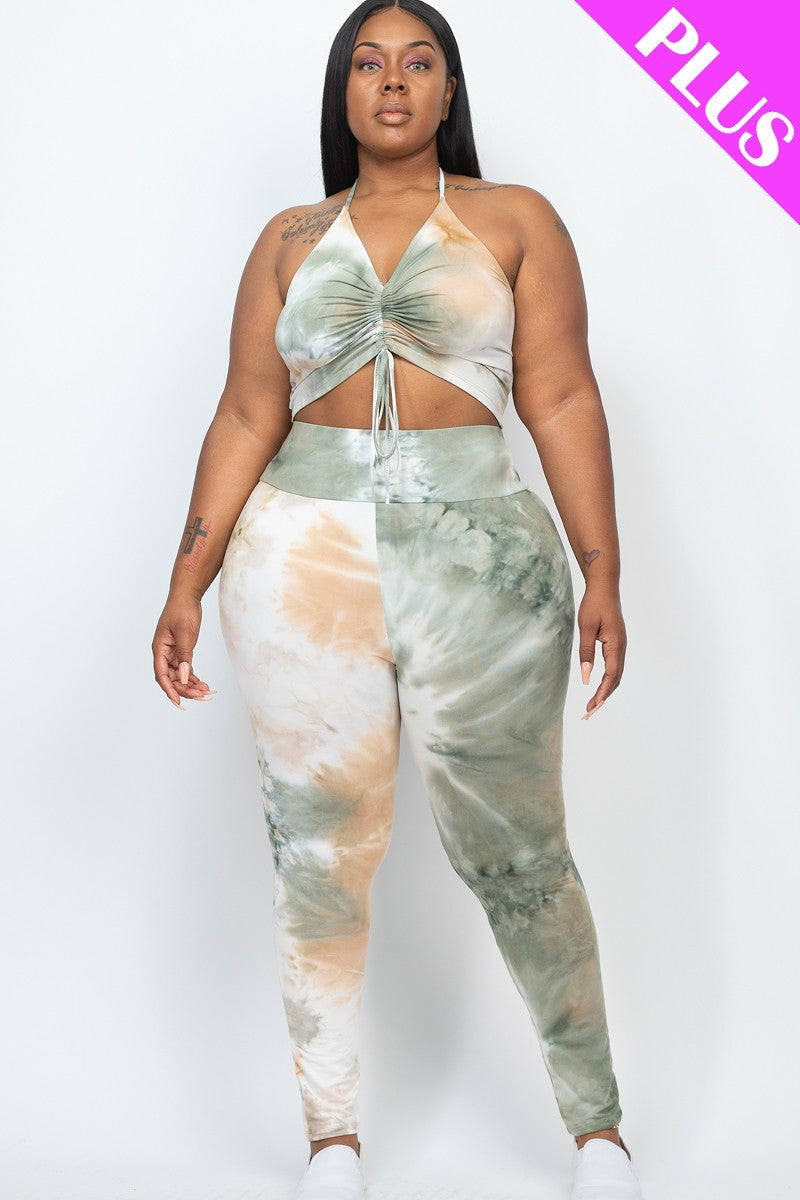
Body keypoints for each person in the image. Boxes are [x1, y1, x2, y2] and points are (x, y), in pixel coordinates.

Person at [151, 3, 645, 1198]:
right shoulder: (286, 238)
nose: (391, 81)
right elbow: (246, 412)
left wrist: (602, 568)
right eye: (367, 63)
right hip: (299, 559)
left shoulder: (514, 219)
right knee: (317, 856)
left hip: (482, 559)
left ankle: (596, 1131)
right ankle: (331, 1141)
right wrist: (185, 578)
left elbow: (561, 395)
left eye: (417, 62)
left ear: (448, 89)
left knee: (523, 854)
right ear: (342, 91)